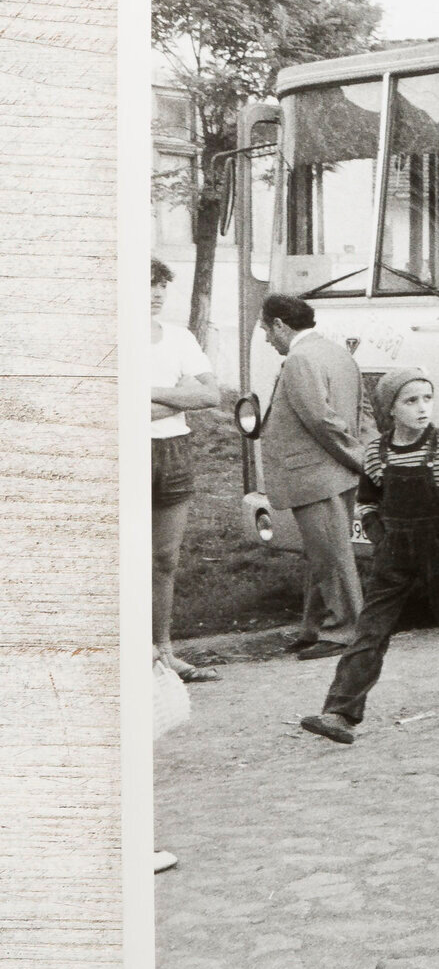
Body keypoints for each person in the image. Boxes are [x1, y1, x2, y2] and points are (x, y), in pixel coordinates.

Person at [298, 369, 439, 743]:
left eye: (427, 398)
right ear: (389, 409)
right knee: (369, 631)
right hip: (393, 556)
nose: (422, 408)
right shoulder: (377, 453)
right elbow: (367, 503)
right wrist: (380, 540)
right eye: (410, 401)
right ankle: (340, 713)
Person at [257, 292, 369, 658]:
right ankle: (316, 627)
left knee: (331, 555)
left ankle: (346, 630)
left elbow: (320, 420)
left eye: (266, 329)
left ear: (280, 325)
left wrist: (360, 459)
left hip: (316, 473)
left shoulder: (300, 360)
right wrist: (366, 456)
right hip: (337, 473)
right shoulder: (338, 353)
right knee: (323, 552)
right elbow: (362, 410)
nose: (266, 338)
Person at [149, 259, 223, 685]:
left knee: (165, 558)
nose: (156, 293)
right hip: (130, 449)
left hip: (174, 451)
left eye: (161, 285)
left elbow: (211, 393)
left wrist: (146, 394)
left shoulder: (178, 337)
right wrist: (181, 396)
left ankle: (165, 651)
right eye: (147, 285)